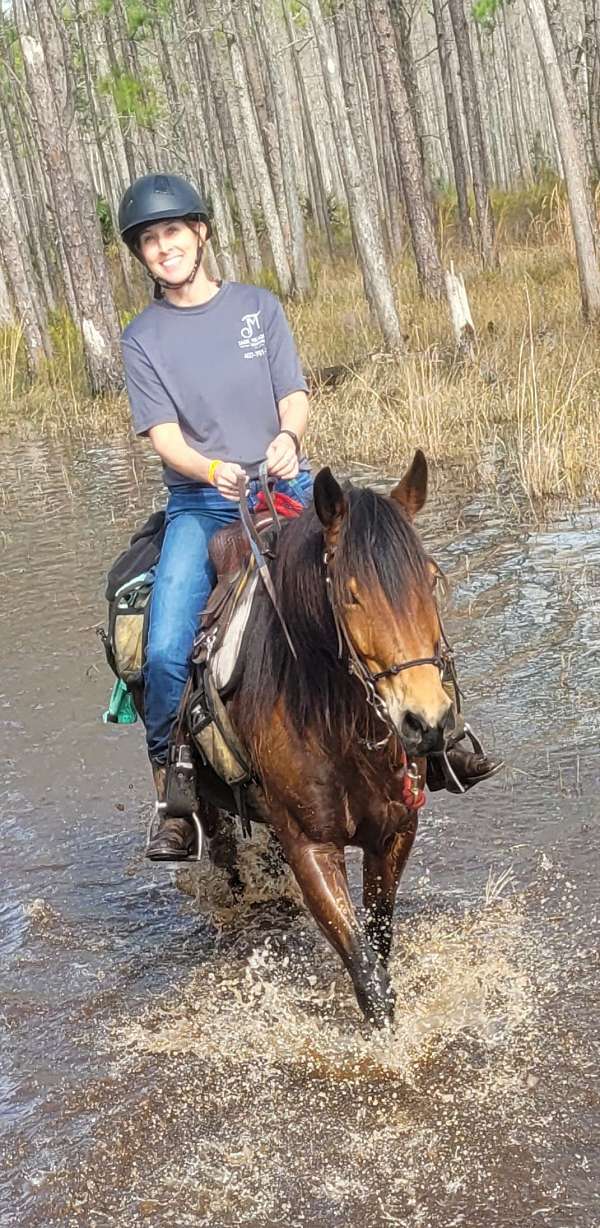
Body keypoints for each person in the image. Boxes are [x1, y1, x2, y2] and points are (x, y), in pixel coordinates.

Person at [118, 172, 502, 862]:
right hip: (203, 505)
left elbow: (293, 394)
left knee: (391, 590)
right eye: (150, 240)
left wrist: (288, 438)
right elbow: (163, 436)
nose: (164, 246)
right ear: (142, 255)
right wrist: (209, 468)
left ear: (201, 232)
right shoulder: (142, 337)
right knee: (168, 644)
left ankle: (444, 739)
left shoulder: (256, 309)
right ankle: (175, 791)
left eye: (174, 231)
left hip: (288, 487)